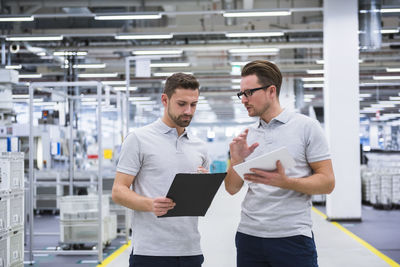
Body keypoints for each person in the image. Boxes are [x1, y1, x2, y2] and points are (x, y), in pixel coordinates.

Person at [224, 60, 335, 267]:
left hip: (292, 238)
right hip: (249, 237)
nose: (243, 100)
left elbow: (327, 182)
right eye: (241, 94)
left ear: (271, 91)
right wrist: (236, 160)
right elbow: (231, 189)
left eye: (249, 93)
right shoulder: (246, 135)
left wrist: (287, 182)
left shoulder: (306, 127)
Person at [112, 73, 209, 267]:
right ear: (165, 100)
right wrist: (150, 204)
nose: (188, 111)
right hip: (150, 253)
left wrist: (203, 186)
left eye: (194, 104)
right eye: (182, 104)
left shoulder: (200, 147)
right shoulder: (139, 139)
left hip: (191, 250)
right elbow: (118, 191)